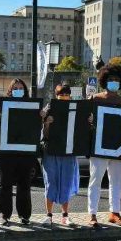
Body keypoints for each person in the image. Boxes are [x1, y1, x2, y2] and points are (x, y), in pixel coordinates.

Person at [85, 64, 121, 228]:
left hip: (119, 147)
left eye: (117, 80)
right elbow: (84, 121)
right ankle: (92, 214)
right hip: (98, 147)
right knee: (95, 180)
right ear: (104, 80)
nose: (114, 82)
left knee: (117, 181)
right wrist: (89, 122)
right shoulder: (95, 99)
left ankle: (115, 212)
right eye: (111, 79)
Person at [0, 78, 37, 226]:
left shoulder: (32, 107)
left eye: (21, 88)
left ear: (25, 91)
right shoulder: (2, 105)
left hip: (25, 152)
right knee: (5, 184)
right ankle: (3, 214)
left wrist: (41, 118)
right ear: (10, 91)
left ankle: (24, 215)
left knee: (24, 184)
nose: (18, 90)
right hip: (5, 152)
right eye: (15, 88)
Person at [39, 84, 79, 227]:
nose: (64, 96)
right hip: (51, 152)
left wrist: (89, 120)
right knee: (50, 184)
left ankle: (65, 216)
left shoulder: (76, 109)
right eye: (61, 94)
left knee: (66, 184)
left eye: (66, 93)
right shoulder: (48, 108)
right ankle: (48, 215)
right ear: (56, 95)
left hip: (68, 152)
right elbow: (43, 136)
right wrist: (46, 123)